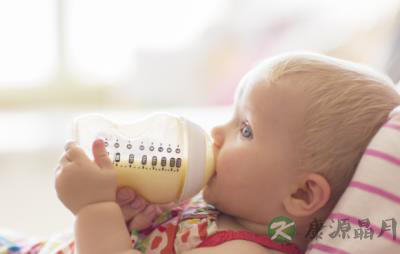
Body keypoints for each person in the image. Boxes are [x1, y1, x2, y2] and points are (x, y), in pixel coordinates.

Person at [54, 52, 400, 254]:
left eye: (245, 129)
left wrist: (94, 209)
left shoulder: (242, 251)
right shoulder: (225, 210)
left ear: (300, 193)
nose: (217, 133)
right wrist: (139, 217)